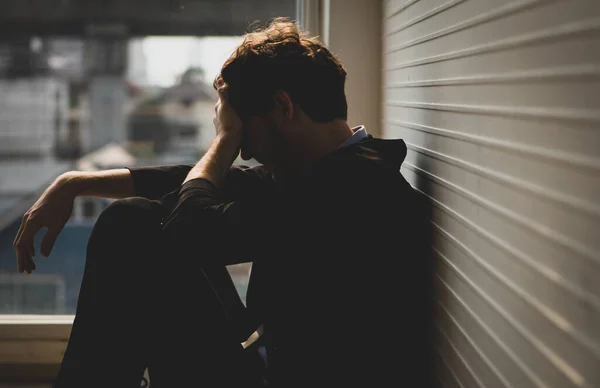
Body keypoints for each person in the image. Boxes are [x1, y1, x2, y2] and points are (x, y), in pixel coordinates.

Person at [13, 18, 432, 388]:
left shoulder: (350, 190)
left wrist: (222, 140)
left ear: (283, 107)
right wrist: (75, 183)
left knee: (131, 227)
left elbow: (190, 232)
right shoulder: (328, 169)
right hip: (268, 362)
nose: (245, 152)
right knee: (135, 218)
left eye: (244, 135)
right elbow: (202, 181)